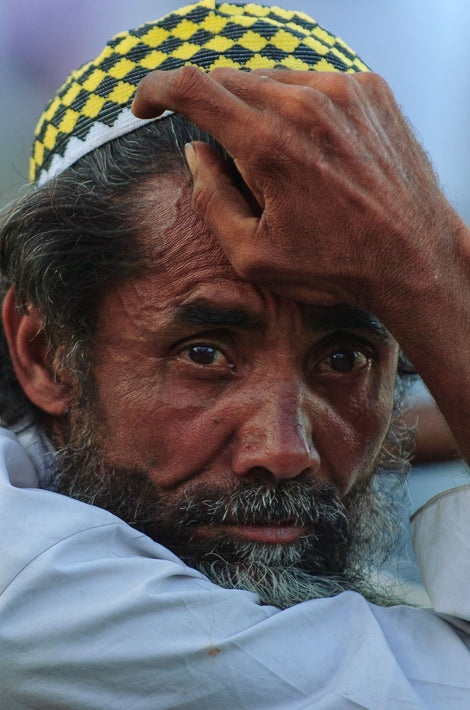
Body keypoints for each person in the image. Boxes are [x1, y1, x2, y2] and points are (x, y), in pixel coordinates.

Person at [0, 1, 469, 707]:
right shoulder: (30, 586)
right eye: (206, 353)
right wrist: (432, 284)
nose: (284, 452)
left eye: (343, 360)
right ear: (45, 354)